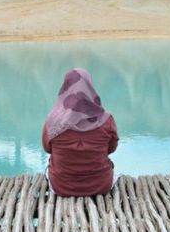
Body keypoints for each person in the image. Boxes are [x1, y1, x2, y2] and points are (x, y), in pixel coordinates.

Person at [42, 68, 119, 197]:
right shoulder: (106, 120)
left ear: (65, 88)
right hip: (100, 186)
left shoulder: (53, 122)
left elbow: (48, 148)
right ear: (90, 87)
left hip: (61, 187)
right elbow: (111, 149)